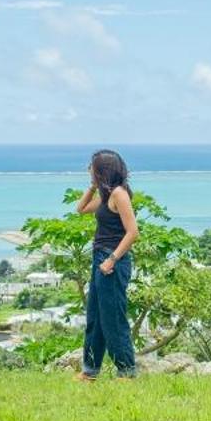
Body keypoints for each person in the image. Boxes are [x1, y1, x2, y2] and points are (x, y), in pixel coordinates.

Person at [76, 148, 138, 381]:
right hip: (99, 258)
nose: (88, 169)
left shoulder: (120, 194)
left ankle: (126, 370)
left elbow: (133, 232)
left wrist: (112, 260)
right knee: (95, 316)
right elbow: (80, 209)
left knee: (113, 318)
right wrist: (93, 186)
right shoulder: (106, 194)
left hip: (113, 261)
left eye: (92, 167)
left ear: (102, 169)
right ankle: (90, 370)